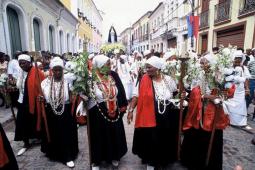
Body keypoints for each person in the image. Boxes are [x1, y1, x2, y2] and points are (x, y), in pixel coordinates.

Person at [127, 56, 181, 169]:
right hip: (151, 114)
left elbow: (175, 93)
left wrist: (182, 94)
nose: (147, 70)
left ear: (157, 68)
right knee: (152, 139)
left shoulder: (168, 79)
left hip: (167, 114)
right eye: (146, 67)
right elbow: (136, 96)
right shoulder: (144, 79)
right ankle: (150, 162)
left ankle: (163, 160)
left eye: (149, 67)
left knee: (165, 138)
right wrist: (131, 110)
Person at [181, 55, 230, 170]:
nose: (203, 65)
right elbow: (194, 89)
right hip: (198, 112)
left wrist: (216, 98)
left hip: (213, 113)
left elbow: (225, 94)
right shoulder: (199, 75)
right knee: (196, 137)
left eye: (205, 63)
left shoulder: (219, 77)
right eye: (202, 63)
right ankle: (194, 161)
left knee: (211, 141)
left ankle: (210, 164)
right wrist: (200, 95)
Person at [88, 55, 128, 170]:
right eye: (107, 65)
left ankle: (115, 156)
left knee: (114, 134)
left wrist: (122, 104)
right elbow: (87, 95)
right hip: (98, 112)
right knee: (99, 136)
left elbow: (120, 89)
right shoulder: (91, 78)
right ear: (99, 66)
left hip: (114, 109)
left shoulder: (113, 75)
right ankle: (96, 160)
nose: (110, 67)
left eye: (110, 64)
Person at [40, 57, 78, 168]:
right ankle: (55, 154)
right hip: (50, 112)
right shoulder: (44, 83)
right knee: (54, 133)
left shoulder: (68, 81)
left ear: (62, 70)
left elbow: (72, 97)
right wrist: (41, 98)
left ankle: (68, 156)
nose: (57, 72)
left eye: (59, 70)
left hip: (65, 112)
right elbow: (43, 97)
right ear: (51, 70)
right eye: (55, 70)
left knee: (65, 134)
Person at [15, 54, 45, 156]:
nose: (22, 65)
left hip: (34, 101)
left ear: (29, 62)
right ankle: (26, 143)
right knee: (22, 123)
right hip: (22, 101)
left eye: (24, 63)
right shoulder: (20, 72)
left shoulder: (37, 72)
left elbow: (44, 85)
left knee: (35, 120)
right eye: (20, 63)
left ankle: (40, 138)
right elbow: (19, 86)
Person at [223, 50, 251, 129]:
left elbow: (247, 79)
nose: (238, 60)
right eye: (236, 58)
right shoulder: (229, 68)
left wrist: (247, 89)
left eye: (239, 58)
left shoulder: (244, 68)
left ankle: (241, 122)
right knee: (231, 105)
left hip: (240, 91)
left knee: (240, 106)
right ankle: (230, 121)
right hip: (231, 90)